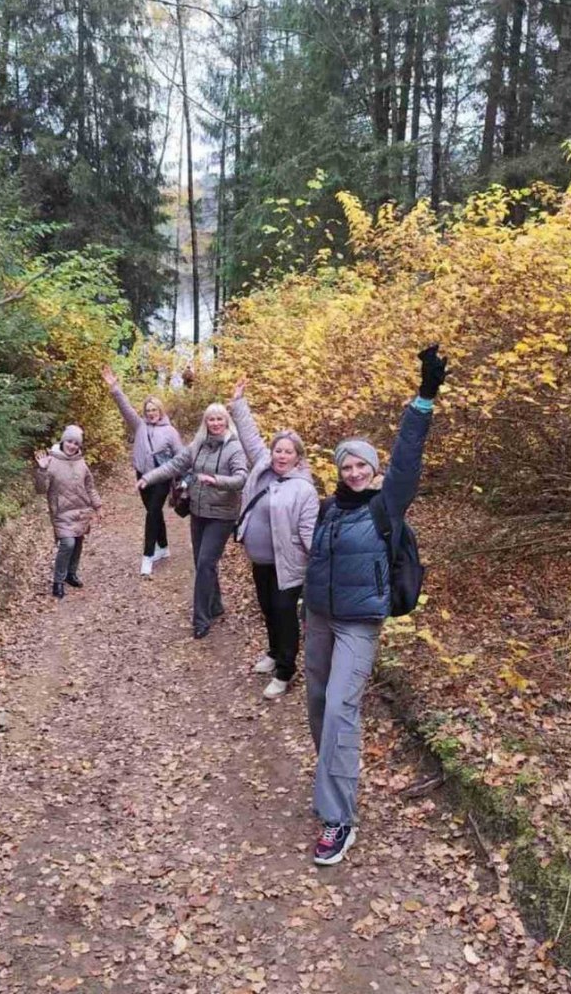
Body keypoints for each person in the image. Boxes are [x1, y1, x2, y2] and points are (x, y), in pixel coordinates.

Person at [303, 344, 447, 866]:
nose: (354, 471)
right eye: (347, 465)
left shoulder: (386, 505)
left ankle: (338, 818)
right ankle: (331, 776)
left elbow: (408, 457)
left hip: (359, 623)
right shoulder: (328, 510)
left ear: (373, 467)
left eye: (362, 463)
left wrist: (424, 399)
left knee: (341, 708)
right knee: (318, 705)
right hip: (318, 617)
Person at [229, 379, 319, 700]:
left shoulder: (304, 489)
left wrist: (320, 566)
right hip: (261, 560)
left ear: (298, 457)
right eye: (278, 449)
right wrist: (238, 403)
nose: (281, 455)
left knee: (283, 613)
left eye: (288, 452)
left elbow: (310, 534)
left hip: (288, 565)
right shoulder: (263, 467)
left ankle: (285, 669)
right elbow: (249, 435)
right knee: (267, 608)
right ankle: (272, 650)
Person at [138, 403, 247, 638]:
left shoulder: (234, 448)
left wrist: (217, 480)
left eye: (219, 419)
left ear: (226, 421)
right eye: (211, 419)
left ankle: (201, 619)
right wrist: (149, 477)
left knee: (206, 562)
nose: (215, 423)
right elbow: (176, 464)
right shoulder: (198, 444)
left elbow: (241, 478)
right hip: (198, 512)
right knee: (202, 562)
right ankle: (215, 605)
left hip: (222, 514)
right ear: (205, 422)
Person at [101, 366, 184, 576]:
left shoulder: (170, 432)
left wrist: (183, 480)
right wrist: (114, 387)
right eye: (148, 411)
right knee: (153, 512)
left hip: (161, 478)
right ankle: (163, 547)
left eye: (154, 411)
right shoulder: (139, 426)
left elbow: (181, 456)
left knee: (152, 513)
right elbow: (125, 407)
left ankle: (147, 557)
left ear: (161, 411)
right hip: (142, 477)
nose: (151, 414)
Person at [35, 424, 103, 599]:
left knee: (78, 541)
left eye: (76, 443)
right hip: (61, 512)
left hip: (81, 511)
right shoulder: (51, 461)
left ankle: (71, 574)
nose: (72, 446)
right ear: (63, 440)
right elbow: (41, 489)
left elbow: (90, 487)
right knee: (68, 544)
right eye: (70, 441)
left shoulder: (81, 462)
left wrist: (98, 506)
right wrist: (42, 470)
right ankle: (58, 581)